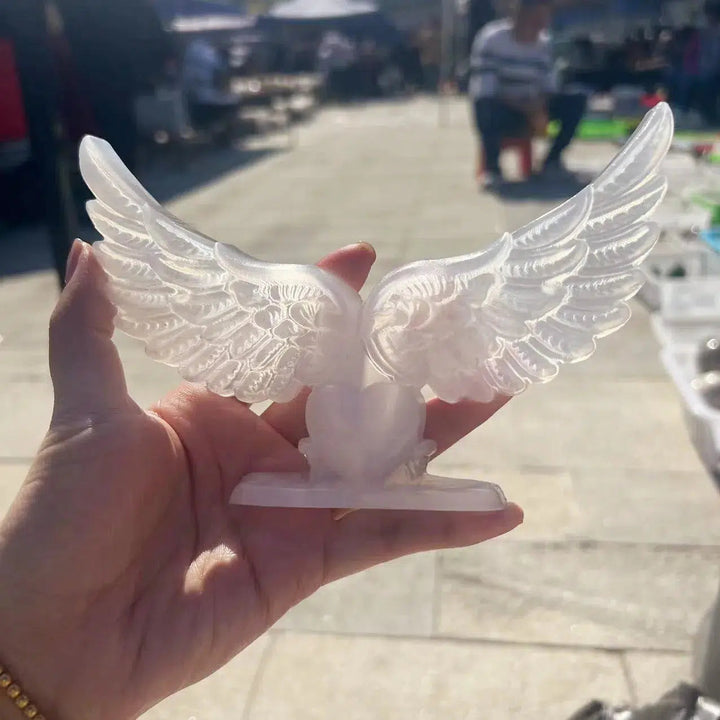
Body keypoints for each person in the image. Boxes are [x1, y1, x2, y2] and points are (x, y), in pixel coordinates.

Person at [0, 240, 523, 720]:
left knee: (391, 401)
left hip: (380, 447)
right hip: (334, 449)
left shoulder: (398, 386)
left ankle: (389, 464)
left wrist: (38, 663)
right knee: (343, 398)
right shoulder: (326, 379)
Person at [468, 0, 587, 190]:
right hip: (503, 107)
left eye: (543, 21)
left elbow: (549, 86)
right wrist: (528, 109)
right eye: (535, 20)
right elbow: (486, 88)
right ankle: (492, 169)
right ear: (519, 16)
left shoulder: (544, 43)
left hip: (534, 105)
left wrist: (539, 107)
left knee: (577, 98)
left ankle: (551, 161)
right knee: (484, 105)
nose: (540, 26)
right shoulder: (491, 39)